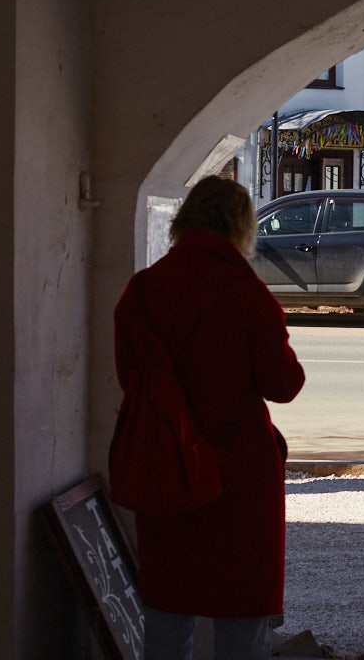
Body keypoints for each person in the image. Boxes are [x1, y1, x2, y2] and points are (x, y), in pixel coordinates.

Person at [113, 176, 305, 660]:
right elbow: (284, 386)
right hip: (239, 472)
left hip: (165, 463)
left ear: (185, 222)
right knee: (241, 622)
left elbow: (128, 378)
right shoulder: (247, 294)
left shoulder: (141, 290)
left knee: (166, 616)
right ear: (241, 228)